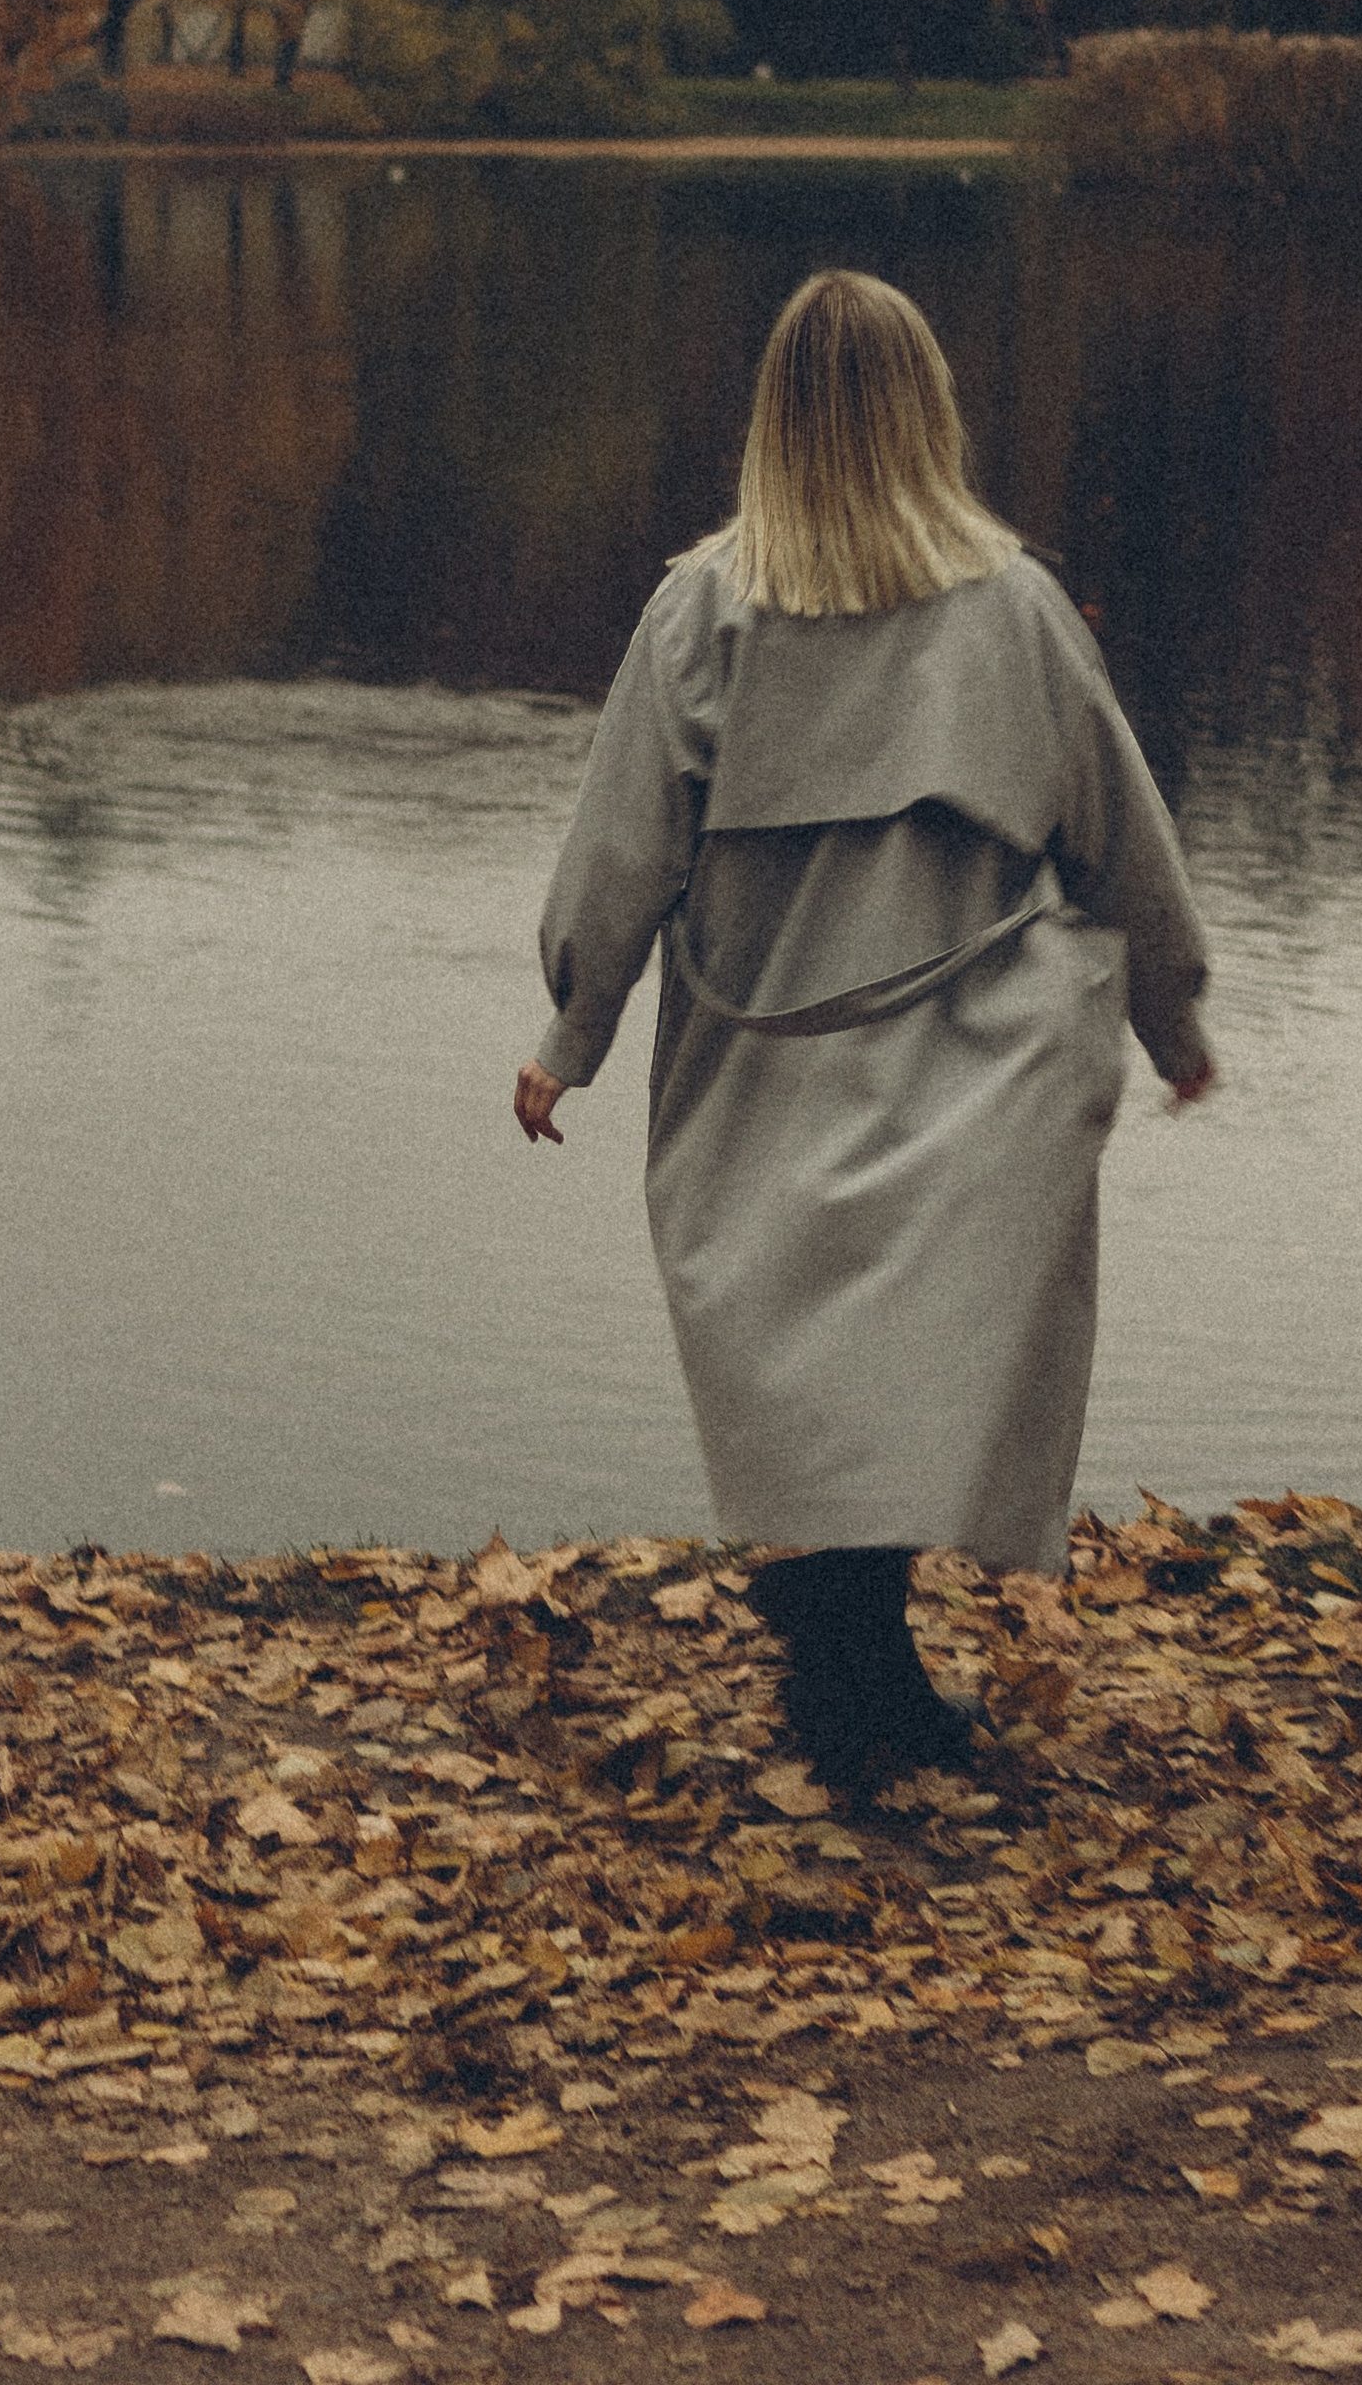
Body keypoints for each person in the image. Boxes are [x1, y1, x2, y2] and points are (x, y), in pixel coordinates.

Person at [514, 268, 1213, 1789]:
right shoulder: (1015, 609)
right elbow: (1119, 836)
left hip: (761, 1062)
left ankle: (848, 1654)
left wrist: (575, 1029)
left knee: (831, 1371)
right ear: (930, 415)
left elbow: (620, 850)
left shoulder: (701, 613)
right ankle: (852, 1656)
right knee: (910, 1362)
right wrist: (1172, 1013)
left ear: (772, 420)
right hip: (971, 1062)